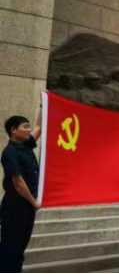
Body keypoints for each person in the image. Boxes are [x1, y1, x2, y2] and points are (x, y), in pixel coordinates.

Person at [0, 115, 42, 273]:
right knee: (11, 248)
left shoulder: (26, 145)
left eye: (29, 126)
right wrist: (34, 202)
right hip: (15, 206)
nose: (29, 130)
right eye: (25, 126)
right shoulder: (10, 153)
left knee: (19, 248)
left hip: (26, 206)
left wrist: (43, 106)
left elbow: (39, 127)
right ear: (13, 130)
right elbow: (18, 182)